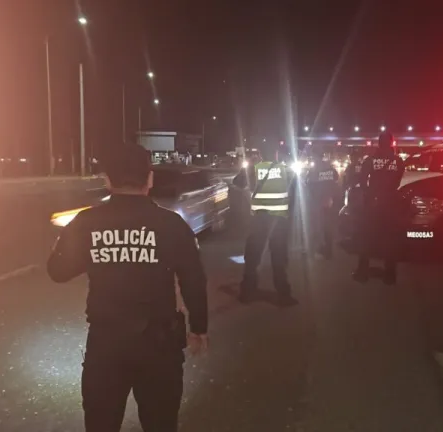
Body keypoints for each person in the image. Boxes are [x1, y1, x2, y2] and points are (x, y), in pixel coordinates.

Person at [47, 144, 209, 432]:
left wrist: (80, 246)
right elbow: (193, 279)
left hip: (106, 344)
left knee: (101, 423)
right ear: (150, 178)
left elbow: (58, 271)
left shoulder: (87, 222)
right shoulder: (171, 225)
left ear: (107, 180)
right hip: (159, 345)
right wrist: (198, 328)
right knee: (161, 423)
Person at [239, 144, 298, 306]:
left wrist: (250, 165)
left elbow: (238, 182)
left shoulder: (254, 169)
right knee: (278, 259)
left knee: (252, 258)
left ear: (260, 155)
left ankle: (247, 292)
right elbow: (293, 194)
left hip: (259, 221)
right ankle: (284, 295)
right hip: (278, 222)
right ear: (276, 154)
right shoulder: (286, 170)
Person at [353, 132, 405, 285]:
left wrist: (370, 194)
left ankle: (362, 273)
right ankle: (390, 275)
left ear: (378, 143)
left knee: (366, 238)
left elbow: (362, 181)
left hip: (373, 205)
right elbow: (398, 181)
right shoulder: (398, 161)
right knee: (390, 240)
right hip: (391, 204)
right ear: (391, 143)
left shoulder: (370, 160)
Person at [305, 149, 340, 259]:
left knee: (320, 226)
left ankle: (324, 250)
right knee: (328, 226)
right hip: (330, 201)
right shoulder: (330, 168)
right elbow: (336, 178)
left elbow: (309, 183)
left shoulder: (315, 170)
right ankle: (328, 249)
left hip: (319, 202)